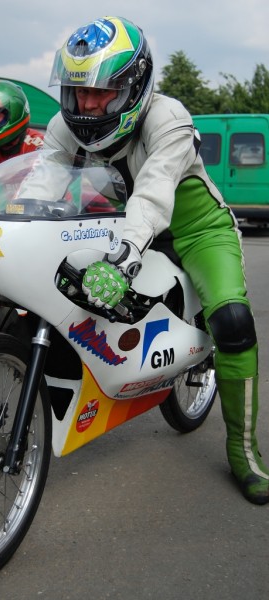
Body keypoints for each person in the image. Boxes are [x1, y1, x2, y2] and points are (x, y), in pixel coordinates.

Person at [41, 16, 269, 504]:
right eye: (79, 92)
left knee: (231, 321)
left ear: (134, 85)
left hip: (193, 229)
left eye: (101, 92)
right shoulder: (64, 126)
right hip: (121, 229)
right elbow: (42, 186)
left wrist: (121, 260)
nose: (87, 105)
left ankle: (243, 451)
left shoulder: (169, 118)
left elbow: (152, 194)